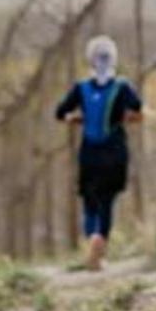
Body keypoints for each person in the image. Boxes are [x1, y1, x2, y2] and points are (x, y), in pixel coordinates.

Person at [54, 35, 143, 270]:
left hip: (90, 152)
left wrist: (76, 118)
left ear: (90, 60)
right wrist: (126, 117)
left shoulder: (81, 88)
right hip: (115, 150)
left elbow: (60, 112)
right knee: (107, 199)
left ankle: (91, 235)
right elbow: (137, 109)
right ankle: (100, 242)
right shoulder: (122, 87)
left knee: (89, 198)